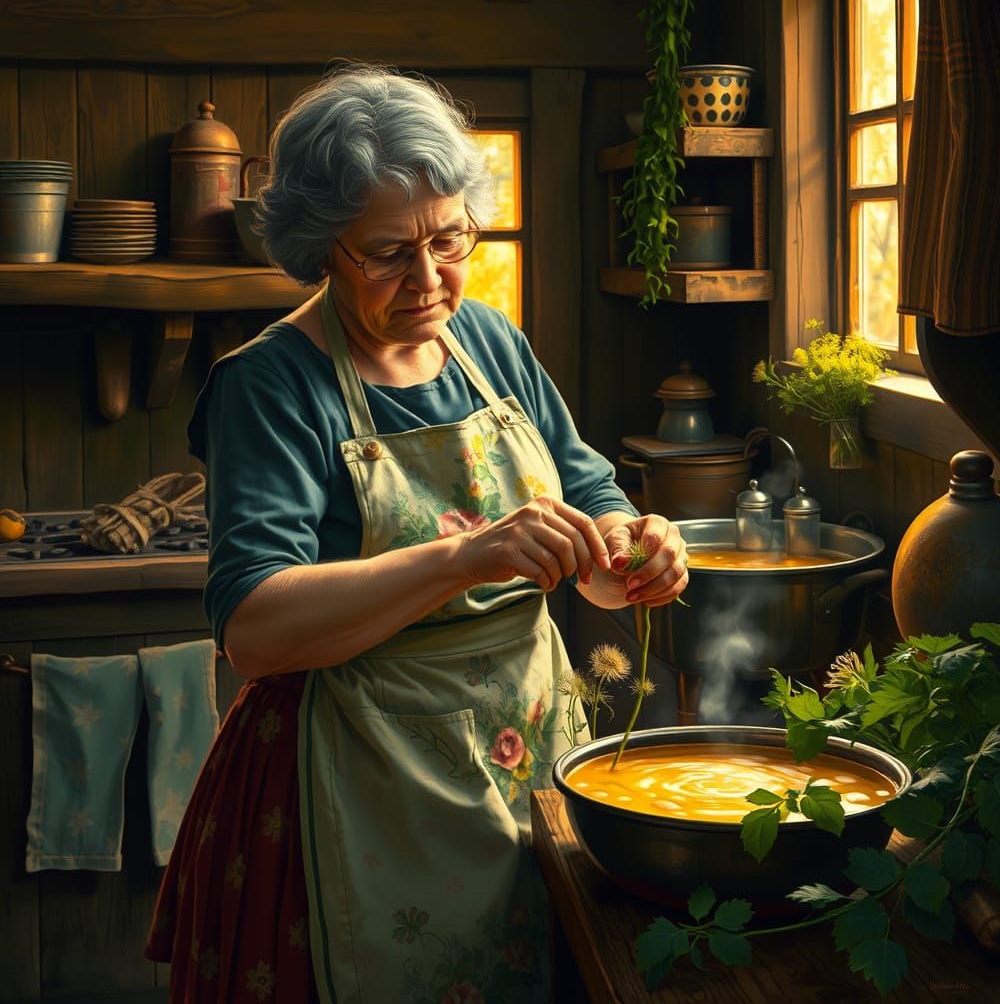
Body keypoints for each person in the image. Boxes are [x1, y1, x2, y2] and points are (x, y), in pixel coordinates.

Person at [145, 62, 688, 1003]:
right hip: (356, 776)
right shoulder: (269, 385)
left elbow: (587, 487)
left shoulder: (489, 340)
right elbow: (255, 630)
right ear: (323, 248)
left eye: (449, 240)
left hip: (528, 750)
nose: (431, 278)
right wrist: (463, 556)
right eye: (391, 252)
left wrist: (627, 550)